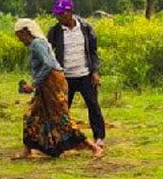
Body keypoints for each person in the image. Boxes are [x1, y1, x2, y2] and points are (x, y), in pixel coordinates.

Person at [14, 19, 104, 160]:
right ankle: (27, 150)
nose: (19, 39)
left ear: (26, 31)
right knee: (32, 115)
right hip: (47, 82)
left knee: (61, 119)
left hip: (52, 82)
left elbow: (48, 65)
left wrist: (33, 84)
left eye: (19, 35)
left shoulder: (37, 44)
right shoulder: (37, 44)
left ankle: (94, 147)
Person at [46, 0, 106, 147]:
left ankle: (99, 137)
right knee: (62, 109)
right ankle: (62, 138)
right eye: (57, 14)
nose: (59, 17)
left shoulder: (86, 28)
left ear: (71, 12)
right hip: (65, 77)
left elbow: (93, 52)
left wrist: (95, 71)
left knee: (93, 106)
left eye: (62, 14)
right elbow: (48, 53)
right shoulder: (55, 32)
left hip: (85, 75)